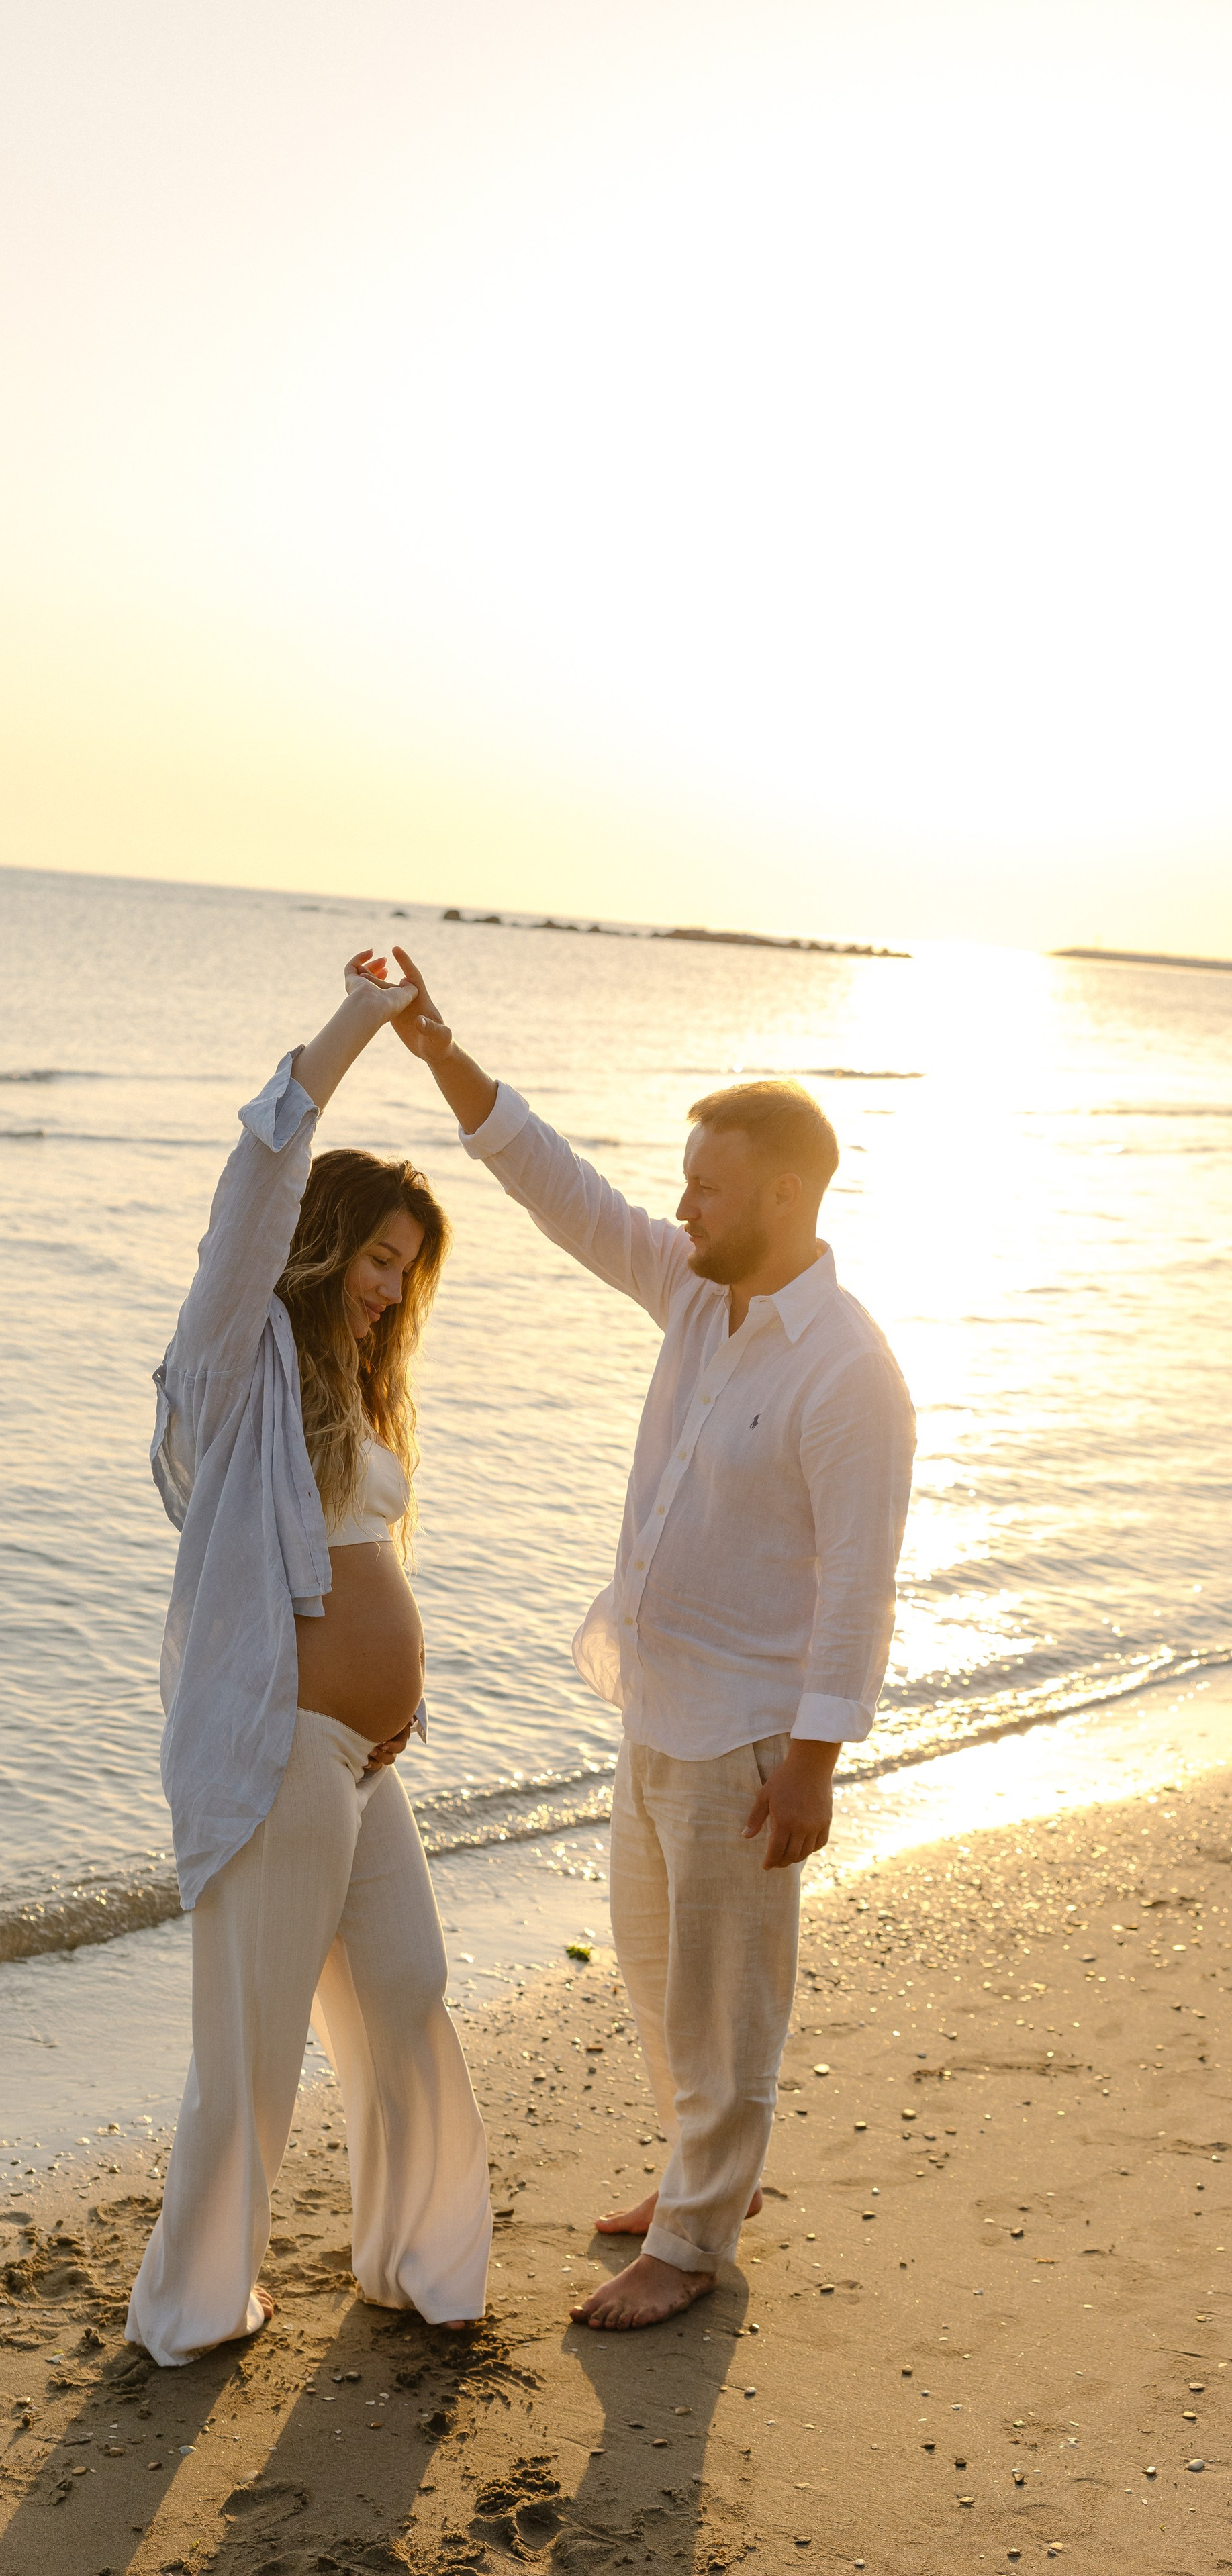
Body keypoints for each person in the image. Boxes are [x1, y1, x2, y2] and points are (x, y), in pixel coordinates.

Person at [387, 946, 915, 2330]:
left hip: (747, 1736)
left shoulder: (846, 1370)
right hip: (652, 1703)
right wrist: (445, 1056)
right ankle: (703, 2173)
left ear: (787, 1196)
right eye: (681, 1181)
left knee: (727, 2001)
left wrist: (810, 1762)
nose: (678, 1205)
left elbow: (857, 1586)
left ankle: (691, 2244)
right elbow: (561, 1190)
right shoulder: (692, 1288)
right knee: (649, 1964)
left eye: (706, 1184)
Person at [125, 953, 492, 2369]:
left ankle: (414, 2258)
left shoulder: (356, 1382)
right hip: (277, 1747)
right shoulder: (240, 1352)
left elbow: (359, 1564)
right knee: (254, 2050)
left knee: (405, 1984)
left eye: (409, 1270)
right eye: (375, 1257)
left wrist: (399, 1687)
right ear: (322, 1240)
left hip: (361, 1756)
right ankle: (194, 2304)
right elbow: (260, 1165)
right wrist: (363, 1018)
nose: (390, 1290)